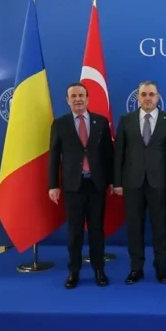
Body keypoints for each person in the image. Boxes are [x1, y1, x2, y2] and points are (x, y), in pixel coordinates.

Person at [48, 83, 114, 289]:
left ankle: (99, 270)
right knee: (74, 231)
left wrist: (113, 181)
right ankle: (73, 272)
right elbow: (54, 157)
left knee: (96, 230)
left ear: (87, 98)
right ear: (67, 100)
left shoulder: (101, 122)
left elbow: (108, 154)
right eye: (73, 96)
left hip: (96, 185)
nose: (78, 99)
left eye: (81, 95)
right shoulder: (60, 124)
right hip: (73, 186)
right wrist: (53, 185)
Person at [114, 81, 166, 284]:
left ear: (158, 97)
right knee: (134, 228)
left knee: (160, 228)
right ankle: (136, 269)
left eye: (151, 94)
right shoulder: (126, 120)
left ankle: (161, 268)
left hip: (160, 183)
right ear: (138, 97)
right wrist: (117, 182)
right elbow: (119, 153)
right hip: (132, 183)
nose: (148, 98)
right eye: (144, 94)